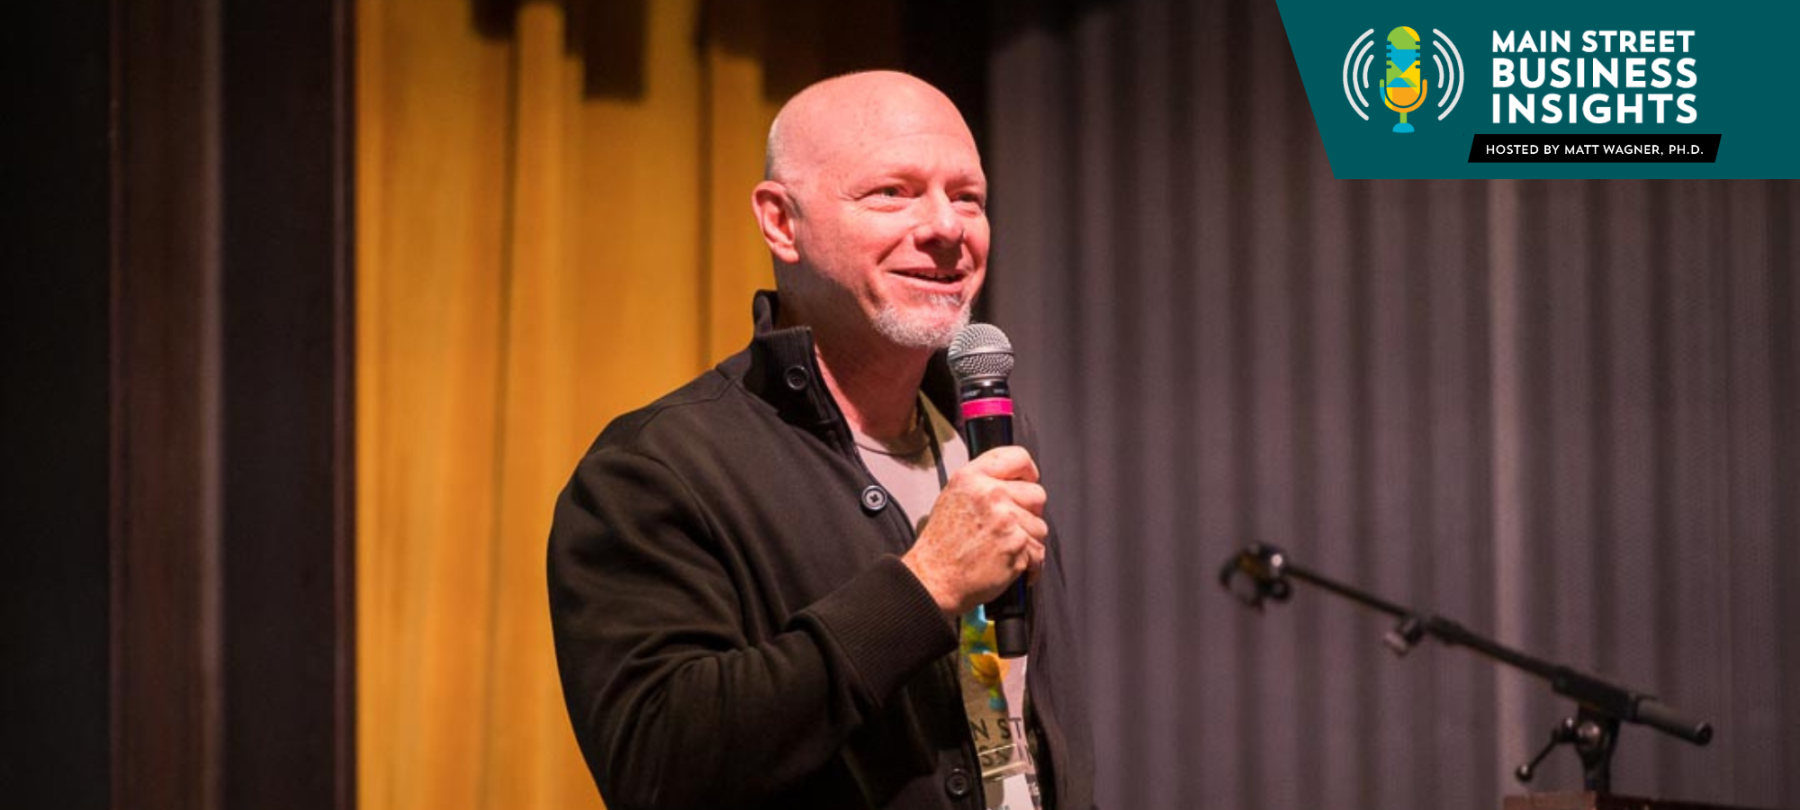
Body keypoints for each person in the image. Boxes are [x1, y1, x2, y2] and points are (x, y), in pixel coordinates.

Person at [548, 70, 1094, 810]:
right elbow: (657, 762)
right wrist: (925, 587)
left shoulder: (988, 428)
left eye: (967, 197)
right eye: (892, 192)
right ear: (780, 222)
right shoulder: (656, 470)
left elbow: (1028, 720)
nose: (946, 227)